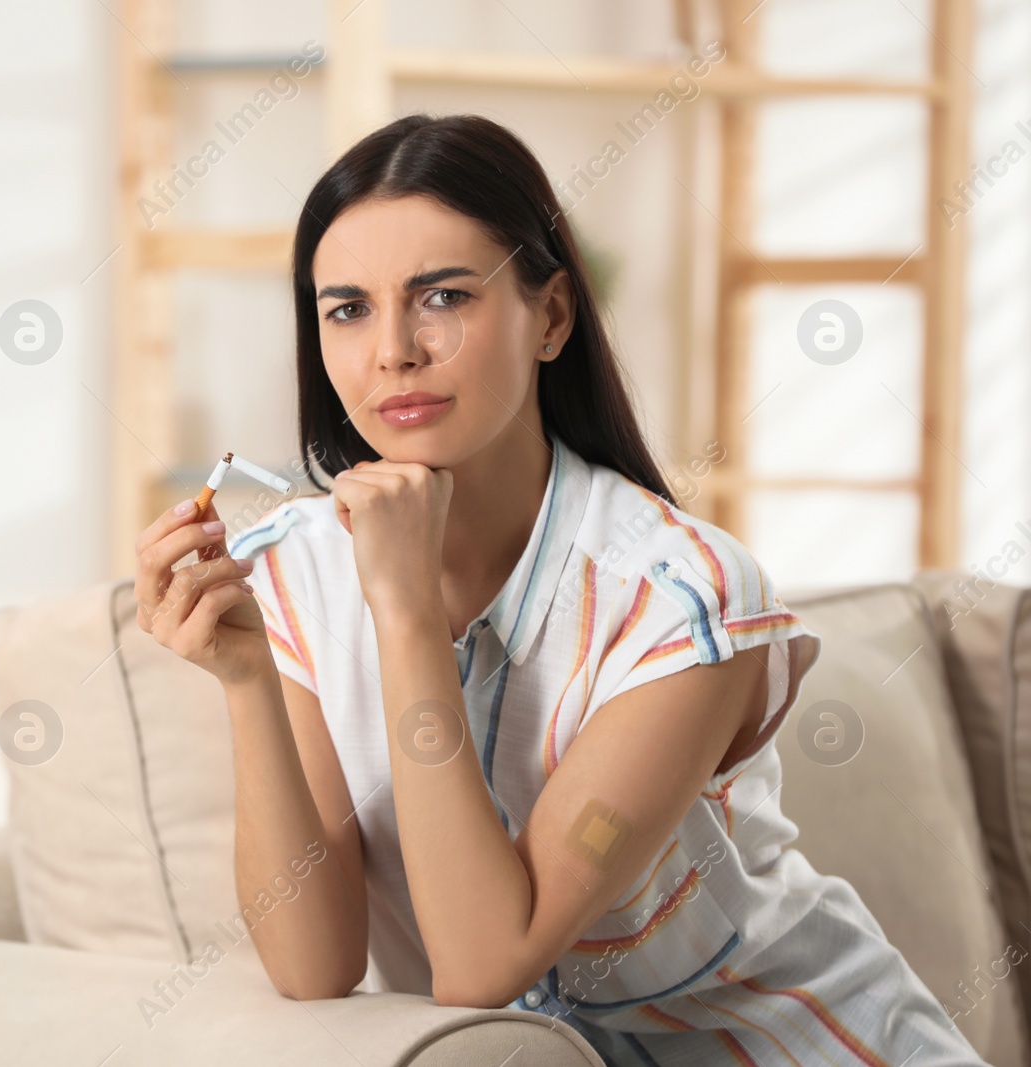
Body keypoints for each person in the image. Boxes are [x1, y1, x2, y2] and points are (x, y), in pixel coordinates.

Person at [132, 113, 986, 1065]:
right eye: (348, 308)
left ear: (551, 317)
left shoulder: (680, 595)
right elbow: (314, 964)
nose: (394, 352)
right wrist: (247, 676)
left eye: (443, 296)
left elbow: (481, 962)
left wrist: (407, 611)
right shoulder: (297, 566)